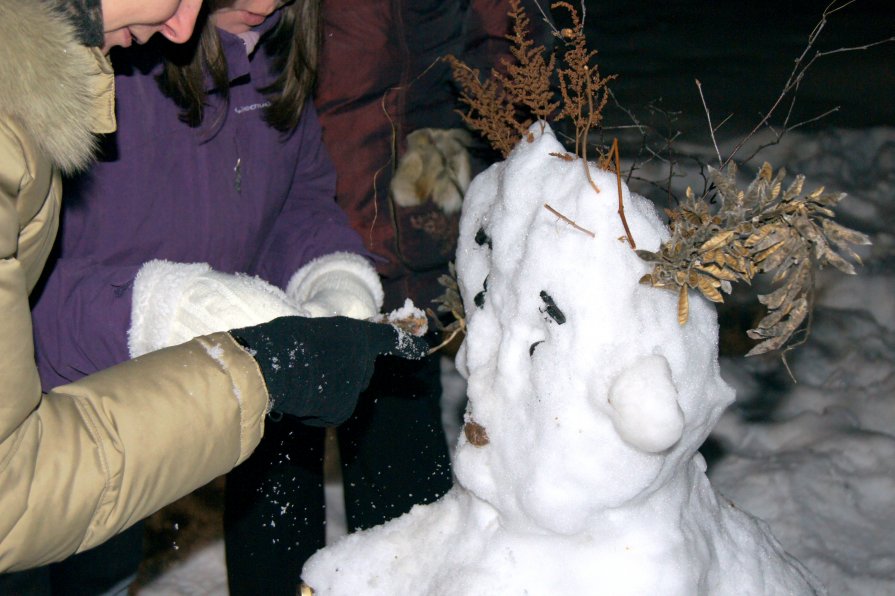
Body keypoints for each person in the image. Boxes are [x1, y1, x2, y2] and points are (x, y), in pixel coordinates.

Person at [0, 0, 425, 583]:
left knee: (106, 567)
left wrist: (332, 280)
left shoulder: (278, 50)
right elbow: (34, 293)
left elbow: (297, 200)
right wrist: (172, 312)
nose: (265, 2)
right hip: (62, 405)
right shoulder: (93, 66)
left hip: (133, 437)